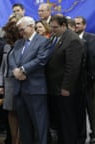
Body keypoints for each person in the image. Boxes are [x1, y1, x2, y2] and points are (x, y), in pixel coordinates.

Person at [8, 16, 50, 144]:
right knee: (24, 125)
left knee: (39, 124)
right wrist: (16, 71)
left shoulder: (43, 41)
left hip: (35, 89)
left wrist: (23, 70)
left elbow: (41, 60)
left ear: (31, 26)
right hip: (19, 89)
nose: (21, 33)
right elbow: (11, 57)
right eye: (19, 30)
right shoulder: (18, 43)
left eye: (22, 29)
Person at [46, 15, 84, 144]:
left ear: (64, 26)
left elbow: (72, 67)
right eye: (51, 27)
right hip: (54, 89)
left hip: (65, 90)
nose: (52, 29)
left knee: (68, 122)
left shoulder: (72, 40)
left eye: (55, 27)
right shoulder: (54, 37)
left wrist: (66, 87)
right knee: (59, 122)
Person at [0, 19, 22, 144]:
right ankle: (13, 139)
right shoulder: (6, 46)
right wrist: (1, 84)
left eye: (8, 34)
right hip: (8, 83)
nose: (6, 36)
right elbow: (3, 66)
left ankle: (20, 140)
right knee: (11, 112)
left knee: (21, 112)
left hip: (20, 81)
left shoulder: (23, 45)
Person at [74, 16, 95, 144]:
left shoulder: (92, 39)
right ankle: (81, 135)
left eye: (78, 24)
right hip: (75, 83)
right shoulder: (70, 39)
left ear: (84, 25)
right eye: (74, 24)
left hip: (90, 81)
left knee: (92, 110)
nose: (76, 26)